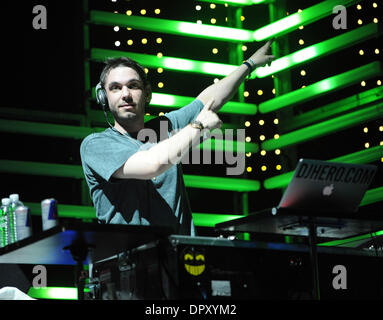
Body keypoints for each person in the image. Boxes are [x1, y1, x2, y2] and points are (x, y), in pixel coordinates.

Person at [80, 40, 275, 236]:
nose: (125, 94)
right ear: (103, 97)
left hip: (180, 256)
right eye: (115, 88)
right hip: (129, 261)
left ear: (147, 93)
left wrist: (250, 64)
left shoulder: (164, 127)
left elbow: (210, 99)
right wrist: (198, 126)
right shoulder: (96, 145)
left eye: (133, 86)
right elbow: (152, 164)